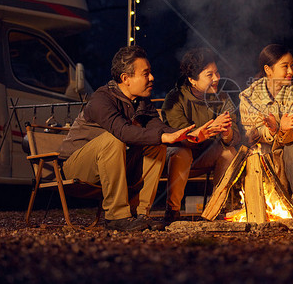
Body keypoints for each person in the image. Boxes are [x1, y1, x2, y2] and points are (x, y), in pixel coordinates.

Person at [59, 45, 214, 232]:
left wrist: (189, 135)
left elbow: (159, 129)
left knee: (157, 144)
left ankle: (140, 213)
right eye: (145, 73)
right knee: (115, 139)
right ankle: (117, 216)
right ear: (126, 78)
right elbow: (123, 132)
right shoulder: (101, 100)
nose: (152, 78)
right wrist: (164, 135)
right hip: (76, 167)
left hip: (112, 164)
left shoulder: (141, 101)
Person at [161, 48, 241, 225]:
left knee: (229, 152)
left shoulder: (221, 98)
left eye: (217, 72)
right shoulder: (176, 98)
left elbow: (235, 135)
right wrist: (209, 129)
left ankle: (217, 208)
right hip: (180, 153)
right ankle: (172, 211)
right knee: (180, 153)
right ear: (192, 80)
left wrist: (227, 133)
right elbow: (179, 135)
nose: (216, 78)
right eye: (209, 74)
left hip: (205, 155)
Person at [239, 44, 293, 203]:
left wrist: (279, 130)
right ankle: (261, 203)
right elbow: (251, 134)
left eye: (292, 66)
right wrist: (274, 131)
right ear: (268, 69)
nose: (291, 71)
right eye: (285, 66)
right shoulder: (249, 97)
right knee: (256, 153)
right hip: (266, 149)